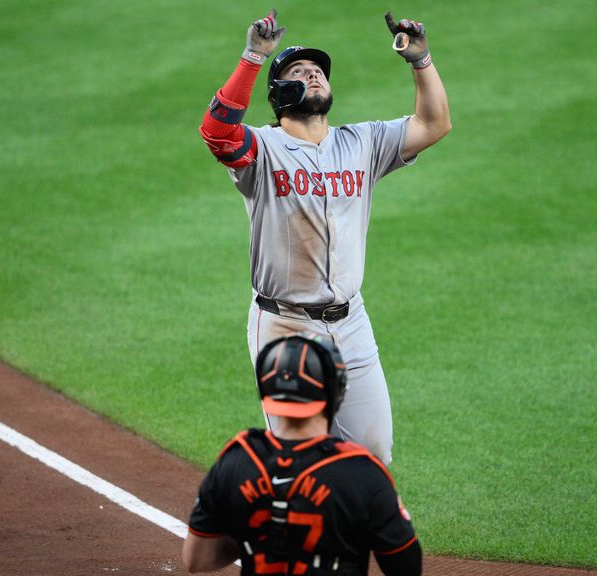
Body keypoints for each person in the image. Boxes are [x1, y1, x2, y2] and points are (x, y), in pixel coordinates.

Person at [198, 9, 451, 466]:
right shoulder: (262, 149)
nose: (313, 74)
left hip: (352, 322)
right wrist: (254, 56)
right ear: (279, 94)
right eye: (298, 71)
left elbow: (434, 124)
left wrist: (421, 59)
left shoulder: (362, 143)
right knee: (296, 457)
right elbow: (217, 132)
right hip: (285, 325)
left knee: (372, 454)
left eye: (317, 70)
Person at [183, 333, 422, 575]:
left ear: (266, 389)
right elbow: (408, 568)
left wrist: (261, 532)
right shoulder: (363, 474)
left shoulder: (234, 462)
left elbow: (196, 560)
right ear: (336, 391)